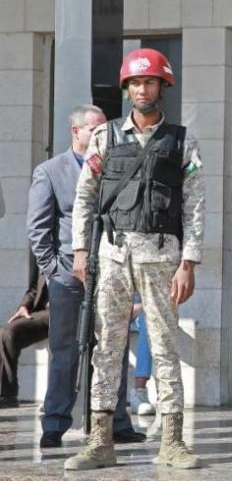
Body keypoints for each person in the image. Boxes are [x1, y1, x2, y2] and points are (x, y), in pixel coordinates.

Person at [65, 48, 206, 470]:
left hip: (161, 257)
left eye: (149, 82)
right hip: (111, 255)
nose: (142, 90)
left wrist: (189, 262)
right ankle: (99, 440)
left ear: (163, 87)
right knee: (106, 345)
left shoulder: (182, 141)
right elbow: (85, 196)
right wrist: (80, 250)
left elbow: (195, 205)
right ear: (127, 89)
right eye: (136, 83)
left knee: (163, 345)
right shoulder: (104, 137)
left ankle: (173, 441)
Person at [27, 104, 144, 449]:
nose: (101, 134)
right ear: (75, 132)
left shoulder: (116, 167)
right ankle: (55, 423)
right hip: (68, 275)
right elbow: (38, 229)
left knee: (113, 347)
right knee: (65, 350)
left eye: (104, 128)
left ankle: (115, 422)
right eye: (94, 129)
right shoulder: (50, 171)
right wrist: (55, 271)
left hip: (111, 271)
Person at [0, 267, 48, 408]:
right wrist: (24, 305)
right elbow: (35, 286)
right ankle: (6, 394)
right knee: (7, 332)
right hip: (43, 312)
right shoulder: (44, 256)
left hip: (68, 309)